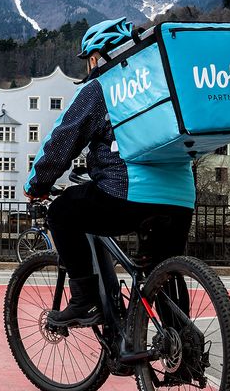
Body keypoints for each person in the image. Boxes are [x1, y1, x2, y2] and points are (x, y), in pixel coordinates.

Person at [24, 18, 195, 328]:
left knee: (62, 213)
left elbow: (64, 138)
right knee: (161, 271)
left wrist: (37, 185)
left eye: (89, 59)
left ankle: (84, 301)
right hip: (181, 197)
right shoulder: (163, 82)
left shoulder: (104, 86)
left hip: (127, 193)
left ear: (97, 57)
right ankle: (181, 343)